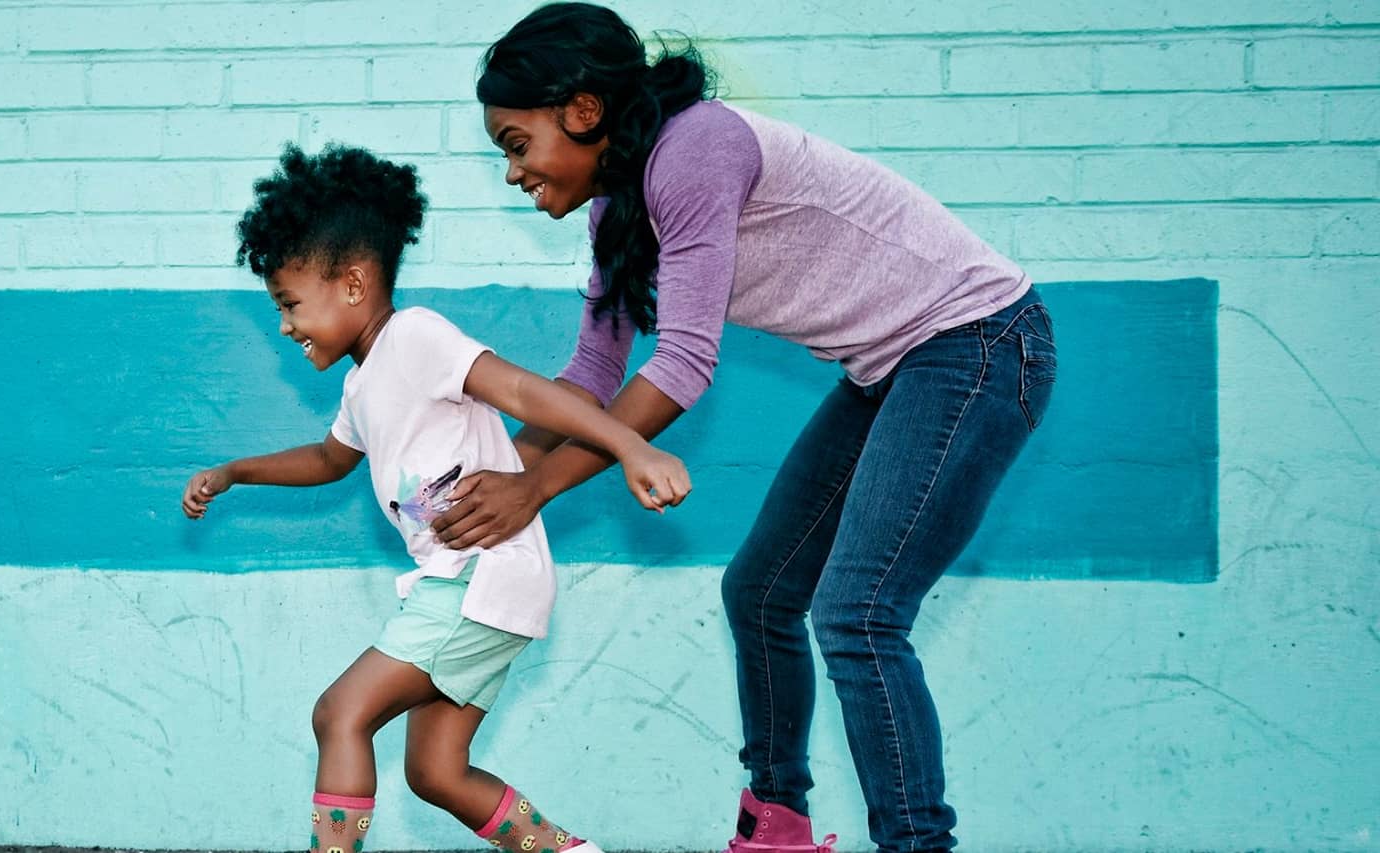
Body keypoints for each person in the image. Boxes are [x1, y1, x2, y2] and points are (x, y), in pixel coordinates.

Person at [433, 5, 1058, 852]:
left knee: (860, 612)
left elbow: (684, 362)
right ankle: (778, 824)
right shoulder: (617, 213)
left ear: (582, 111)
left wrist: (533, 489)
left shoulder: (697, 148)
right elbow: (590, 380)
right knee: (760, 592)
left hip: (977, 342)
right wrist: (489, 476)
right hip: (892, 369)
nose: (513, 173)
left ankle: (918, 846)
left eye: (515, 144)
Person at [182, 143, 692, 853]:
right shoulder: (362, 384)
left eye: (290, 304)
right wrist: (236, 471)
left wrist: (629, 445)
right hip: (473, 584)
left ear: (354, 283)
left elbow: (520, 389)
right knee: (435, 771)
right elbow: (330, 459)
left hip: (479, 578)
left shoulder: (415, 337)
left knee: (340, 713)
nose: (286, 326)